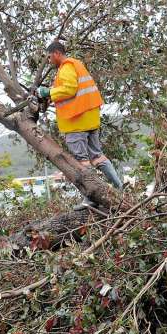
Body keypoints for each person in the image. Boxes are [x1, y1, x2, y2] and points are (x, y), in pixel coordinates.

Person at [36, 41, 122, 209]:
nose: (48, 61)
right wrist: (52, 95)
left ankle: (91, 198)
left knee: (81, 161)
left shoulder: (67, 66)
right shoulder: (77, 64)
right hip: (89, 117)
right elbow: (72, 92)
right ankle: (119, 187)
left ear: (56, 54)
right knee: (97, 156)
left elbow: (69, 89)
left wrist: (48, 92)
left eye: (48, 57)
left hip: (77, 121)